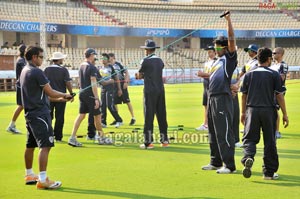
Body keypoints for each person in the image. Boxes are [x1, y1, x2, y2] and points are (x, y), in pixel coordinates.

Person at [20, 46, 73, 189]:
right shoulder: (36, 72)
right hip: (40, 114)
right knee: (45, 146)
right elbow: (49, 92)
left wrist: (61, 99)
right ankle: (43, 180)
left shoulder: (25, 70)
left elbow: (41, 95)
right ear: (34, 57)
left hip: (31, 113)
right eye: (41, 57)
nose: (42, 60)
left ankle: (29, 174)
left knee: (30, 145)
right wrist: (64, 94)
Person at [240, 47, 288, 180]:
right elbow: (279, 95)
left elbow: (243, 95)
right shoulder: (274, 75)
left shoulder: (249, 74)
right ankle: (268, 173)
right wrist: (285, 114)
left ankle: (248, 157)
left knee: (249, 138)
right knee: (270, 141)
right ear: (268, 59)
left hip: (252, 110)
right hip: (268, 110)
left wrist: (243, 113)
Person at [198, 11, 237, 174]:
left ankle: (229, 165)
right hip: (212, 97)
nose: (216, 47)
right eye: (216, 44)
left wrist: (228, 20)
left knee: (224, 131)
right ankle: (215, 161)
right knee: (213, 132)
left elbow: (231, 39)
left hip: (222, 98)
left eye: (219, 45)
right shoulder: (216, 62)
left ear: (225, 46)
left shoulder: (229, 58)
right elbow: (215, 77)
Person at [68, 48, 113, 146]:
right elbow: (93, 83)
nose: (95, 57)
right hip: (90, 95)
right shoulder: (91, 67)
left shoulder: (81, 65)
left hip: (82, 93)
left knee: (82, 115)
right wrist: (96, 98)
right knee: (97, 116)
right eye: (94, 55)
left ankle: (72, 137)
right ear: (91, 55)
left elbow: (80, 81)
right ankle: (102, 138)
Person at [136, 39, 169, 149]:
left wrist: (138, 76)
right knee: (162, 115)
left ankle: (148, 142)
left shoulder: (145, 60)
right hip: (160, 90)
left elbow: (140, 75)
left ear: (147, 50)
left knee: (149, 115)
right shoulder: (160, 61)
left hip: (150, 91)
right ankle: (164, 140)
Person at [44, 52, 74, 142]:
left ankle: (49, 135)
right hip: (61, 97)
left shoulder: (46, 69)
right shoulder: (63, 70)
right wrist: (71, 94)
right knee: (59, 117)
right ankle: (58, 137)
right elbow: (67, 83)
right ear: (60, 59)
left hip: (49, 96)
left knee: (48, 117)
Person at [230, 44, 258, 136]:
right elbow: (241, 74)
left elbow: (248, 74)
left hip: (254, 87)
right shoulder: (248, 62)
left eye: (249, 51)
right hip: (247, 87)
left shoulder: (257, 62)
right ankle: (247, 126)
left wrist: (239, 82)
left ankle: (252, 127)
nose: (248, 52)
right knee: (246, 107)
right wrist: (237, 81)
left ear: (254, 52)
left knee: (251, 107)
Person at [108, 53, 136, 126]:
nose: (108, 58)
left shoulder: (119, 65)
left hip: (122, 84)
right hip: (114, 86)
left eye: (109, 57)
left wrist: (126, 82)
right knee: (114, 103)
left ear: (113, 57)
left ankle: (133, 117)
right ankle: (117, 118)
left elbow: (126, 73)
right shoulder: (108, 66)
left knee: (127, 101)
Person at [99, 53, 123, 128]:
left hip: (110, 88)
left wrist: (119, 89)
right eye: (102, 58)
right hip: (103, 88)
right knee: (102, 106)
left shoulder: (111, 68)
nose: (103, 60)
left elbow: (116, 79)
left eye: (105, 59)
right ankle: (103, 122)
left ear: (108, 60)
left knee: (110, 105)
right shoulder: (99, 68)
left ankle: (119, 120)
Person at [6, 44, 27, 134]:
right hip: (21, 86)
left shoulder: (22, 60)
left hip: (22, 85)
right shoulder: (21, 61)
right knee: (21, 106)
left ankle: (12, 125)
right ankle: (11, 125)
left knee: (23, 106)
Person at [196, 45, 217, 131]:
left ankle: (208, 124)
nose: (209, 53)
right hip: (205, 86)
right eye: (208, 52)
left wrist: (203, 74)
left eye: (210, 52)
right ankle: (206, 123)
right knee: (205, 105)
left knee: (210, 106)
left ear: (215, 52)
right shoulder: (207, 62)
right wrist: (201, 75)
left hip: (211, 86)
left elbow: (214, 75)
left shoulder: (216, 62)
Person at [270, 47, 288, 139]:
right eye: (273, 53)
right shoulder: (272, 65)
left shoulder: (283, 65)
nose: (273, 55)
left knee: (275, 109)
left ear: (281, 54)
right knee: (271, 109)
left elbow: (282, 78)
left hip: (278, 90)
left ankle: (277, 131)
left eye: (275, 53)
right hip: (271, 90)